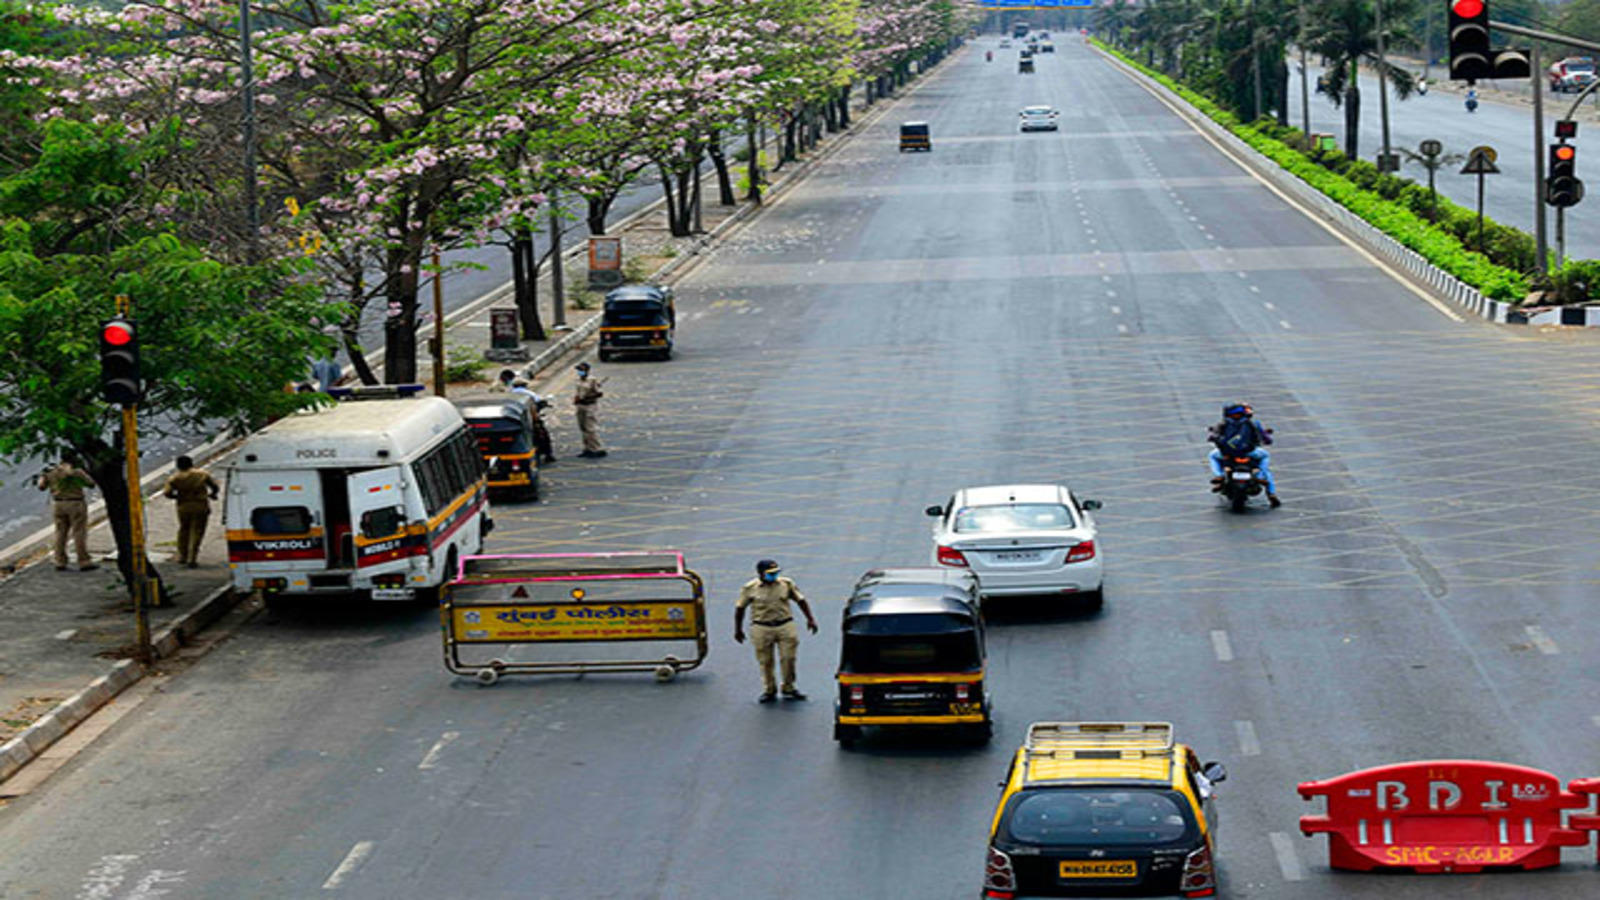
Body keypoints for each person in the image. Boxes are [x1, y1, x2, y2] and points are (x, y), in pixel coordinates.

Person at [733, 559, 819, 703]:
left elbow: (801, 600)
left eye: (776, 573)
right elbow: (740, 608)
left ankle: (789, 687)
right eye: (770, 573)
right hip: (761, 627)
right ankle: (769, 690)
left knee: (788, 658)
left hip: (785, 625)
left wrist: (810, 619)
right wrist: (738, 629)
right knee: (765, 661)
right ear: (760, 573)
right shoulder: (750, 588)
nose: (774, 576)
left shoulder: (786, 584)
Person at [1208, 402, 1279, 507]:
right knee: (1265, 457)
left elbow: (1214, 437)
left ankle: (1219, 475)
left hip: (1228, 454)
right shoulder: (1252, 424)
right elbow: (1263, 439)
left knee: (1213, 456)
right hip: (1249, 453)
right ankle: (1269, 491)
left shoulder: (1223, 424)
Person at [37, 457, 98, 571]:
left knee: (60, 533)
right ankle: (84, 561)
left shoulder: (51, 472)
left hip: (58, 504)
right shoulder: (76, 472)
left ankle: (59, 561)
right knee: (79, 532)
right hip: (76, 503)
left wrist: (45, 477)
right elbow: (90, 483)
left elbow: (41, 486)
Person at [164, 455, 220, 568]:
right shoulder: (202, 474)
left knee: (184, 530)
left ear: (178, 466)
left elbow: (167, 493)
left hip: (183, 506)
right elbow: (215, 487)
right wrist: (212, 494)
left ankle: (182, 556)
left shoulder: (175, 478)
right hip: (200, 505)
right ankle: (192, 558)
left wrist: (177, 497)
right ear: (191, 463)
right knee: (197, 531)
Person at [572, 362, 607, 459]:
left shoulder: (592, 380)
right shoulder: (577, 380)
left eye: (581, 370)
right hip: (580, 406)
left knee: (590, 429)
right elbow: (578, 392)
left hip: (589, 406)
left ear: (587, 370)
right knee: (583, 428)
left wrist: (586, 397)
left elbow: (599, 394)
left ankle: (596, 448)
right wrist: (577, 399)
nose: (580, 372)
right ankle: (587, 448)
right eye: (579, 370)